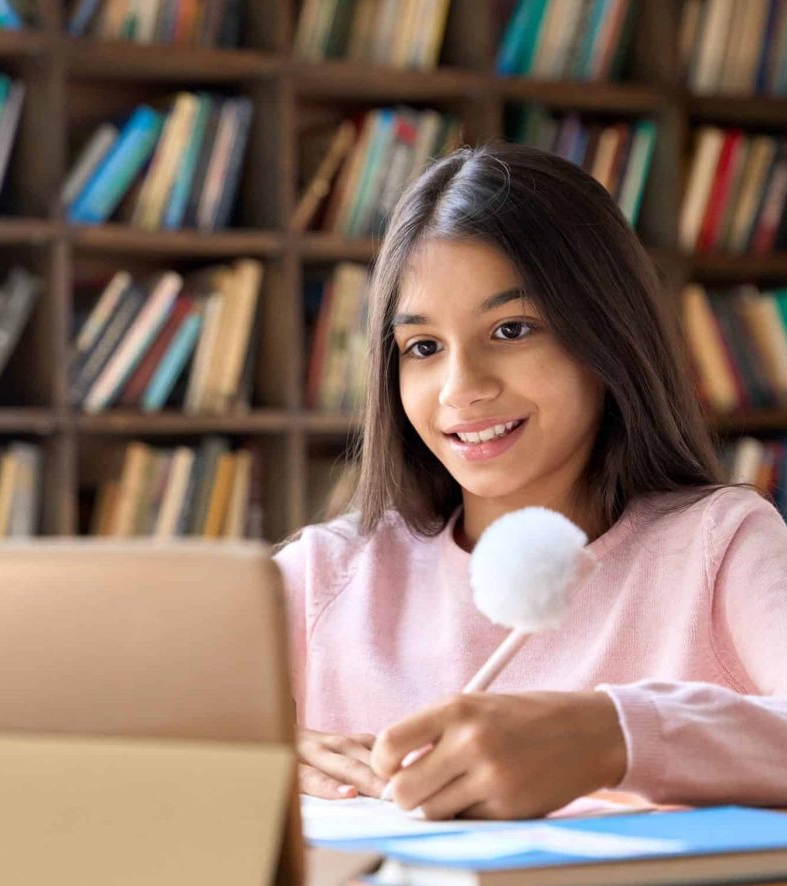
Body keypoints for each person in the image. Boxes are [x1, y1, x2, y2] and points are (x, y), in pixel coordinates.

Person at [274, 140, 787, 821]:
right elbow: (119, 735)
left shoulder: (718, 546)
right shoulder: (324, 575)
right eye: (423, 348)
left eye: (512, 329)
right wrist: (257, 752)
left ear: (607, 336)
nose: (463, 388)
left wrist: (613, 737)